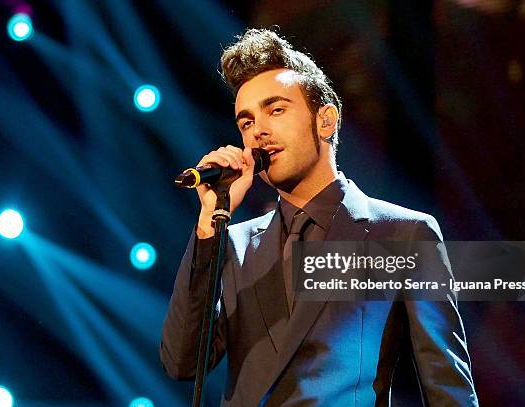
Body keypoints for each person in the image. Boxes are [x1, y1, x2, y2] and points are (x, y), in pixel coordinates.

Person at [160, 28, 478, 406]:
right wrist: (208, 225)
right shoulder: (232, 242)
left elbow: (447, 388)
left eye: (276, 110)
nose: (258, 130)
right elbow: (182, 362)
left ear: (325, 121)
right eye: (246, 122)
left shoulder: (404, 233)